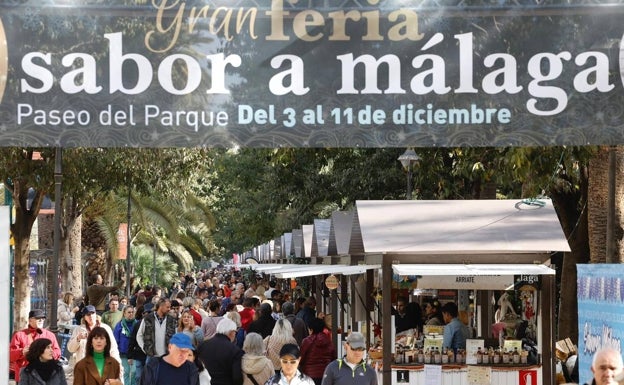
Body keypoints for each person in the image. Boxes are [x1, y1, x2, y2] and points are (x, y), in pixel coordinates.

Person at [67, 305, 122, 381]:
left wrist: (118, 364)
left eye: (92, 313)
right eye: (88, 314)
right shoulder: (78, 330)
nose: (91, 316)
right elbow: (70, 349)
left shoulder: (105, 328)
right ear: (84, 317)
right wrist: (78, 339)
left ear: (96, 314)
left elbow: (113, 348)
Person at [10, 309, 62, 383]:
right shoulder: (19, 335)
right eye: (38, 318)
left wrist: (46, 354)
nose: (41, 320)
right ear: (30, 320)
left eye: (43, 318)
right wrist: (21, 352)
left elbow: (58, 352)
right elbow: (11, 355)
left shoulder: (50, 335)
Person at [197, 317, 244, 385]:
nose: (235, 335)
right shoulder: (235, 351)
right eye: (235, 332)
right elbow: (237, 378)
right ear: (231, 332)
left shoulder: (203, 345)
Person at [136, 298, 177, 362]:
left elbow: (176, 337)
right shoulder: (148, 318)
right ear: (161, 306)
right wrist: (145, 348)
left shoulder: (172, 320)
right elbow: (139, 335)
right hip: (151, 357)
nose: (169, 309)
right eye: (167, 307)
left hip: (167, 356)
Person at [300, 318, 336, 385]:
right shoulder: (328, 341)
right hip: (325, 373)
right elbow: (333, 357)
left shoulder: (307, 341)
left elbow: (301, 358)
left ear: (311, 329)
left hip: (309, 374)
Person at [114, 305, 137, 385]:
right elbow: (115, 340)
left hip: (134, 353)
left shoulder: (137, 324)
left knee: (134, 372)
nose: (131, 314)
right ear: (124, 313)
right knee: (126, 373)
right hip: (123, 353)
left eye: (132, 312)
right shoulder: (119, 325)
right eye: (129, 312)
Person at [127, 306, 148, 385]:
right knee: (138, 376)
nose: (146, 315)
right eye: (144, 313)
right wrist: (130, 355)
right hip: (139, 354)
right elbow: (132, 340)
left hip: (150, 355)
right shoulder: (138, 324)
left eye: (148, 313)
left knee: (148, 377)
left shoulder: (154, 325)